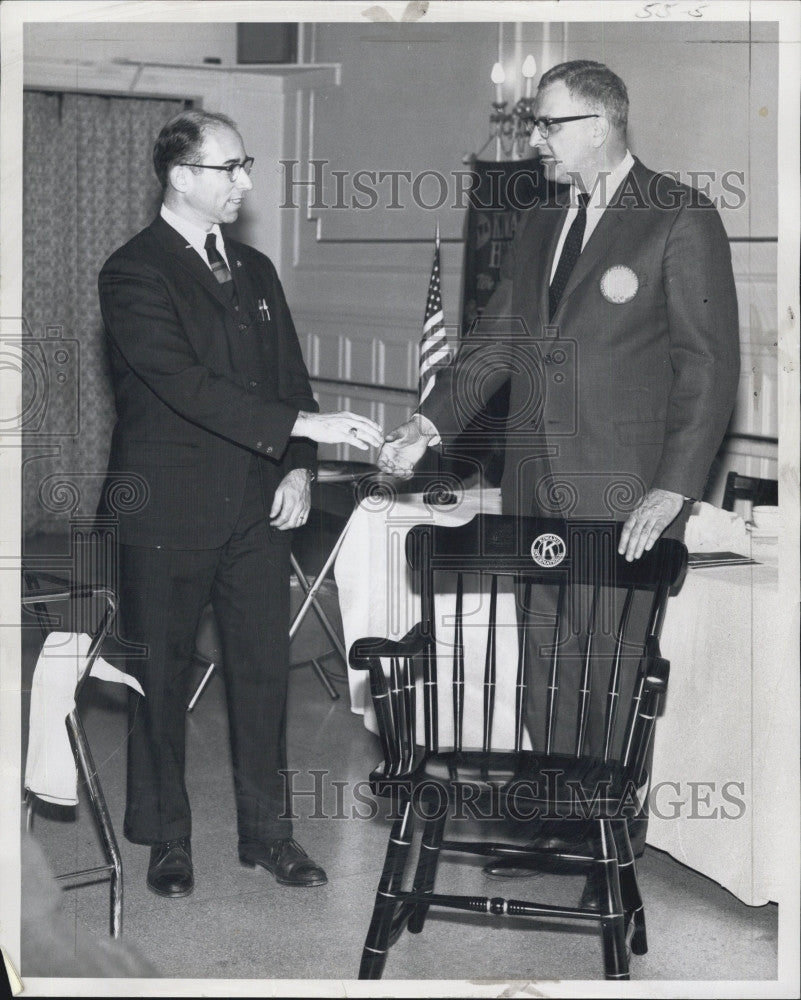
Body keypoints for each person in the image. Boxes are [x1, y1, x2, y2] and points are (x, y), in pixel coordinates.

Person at [378, 61, 740, 866]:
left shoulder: (675, 216)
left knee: (605, 655)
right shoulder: (541, 220)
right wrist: (426, 429)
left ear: (603, 123)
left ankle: (603, 825)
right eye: (535, 125)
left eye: (550, 125)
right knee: (546, 648)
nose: (535, 140)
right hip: (533, 481)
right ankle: (553, 813)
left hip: (621, 487)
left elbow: (707, 365)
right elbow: (493, 344)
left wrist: (674, 486)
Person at [98, 109, 383, 897]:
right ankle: (166, 840)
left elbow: (289, 379)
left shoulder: (254, 269)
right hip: (166, 512)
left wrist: (298, 464)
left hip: (259, 510)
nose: (246, 183)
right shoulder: (133, 272)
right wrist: (302, 425)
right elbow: (185, 386)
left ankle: (268, 836)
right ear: (182, 176)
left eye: (245, 165)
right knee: (161, 681)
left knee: (262, 677)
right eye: (230, 169)